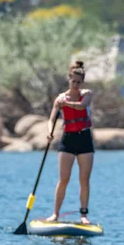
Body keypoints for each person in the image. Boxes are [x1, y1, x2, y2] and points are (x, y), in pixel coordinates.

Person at [46, 61, 94, 225]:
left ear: (82, 83)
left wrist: (66, 103)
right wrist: (49, 131)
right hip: (68, 139)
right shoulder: (60, 98)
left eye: (78, 82)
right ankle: (55, 214)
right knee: (63, 179)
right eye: (73, 81)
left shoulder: (86, 94)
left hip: (84, 139)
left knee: (84, 179)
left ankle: (83, 215)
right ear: (69, 79)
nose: (75, 85)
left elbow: (82, 107)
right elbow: (52, 119)